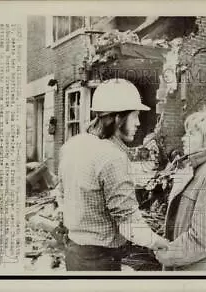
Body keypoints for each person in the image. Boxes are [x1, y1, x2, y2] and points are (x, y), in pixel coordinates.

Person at [58, 78, 169, 271]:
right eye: (135, 116)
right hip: (99, 260)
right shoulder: (113, 157)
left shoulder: (72, 145)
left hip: (74, 252)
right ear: (117, 118)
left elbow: (61, 194)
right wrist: (159, 242)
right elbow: (128, 224)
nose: (138, 123)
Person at [154, 111, 206, 270]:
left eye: (191, 134)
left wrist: (167, 253)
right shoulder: (194, 170)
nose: (184, 138)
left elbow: (202, 239)